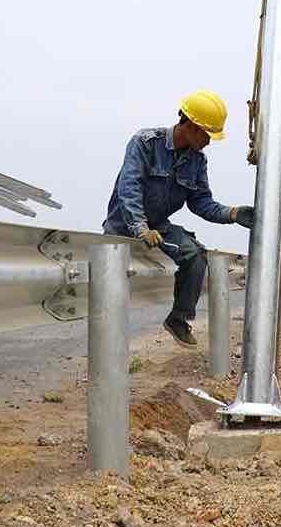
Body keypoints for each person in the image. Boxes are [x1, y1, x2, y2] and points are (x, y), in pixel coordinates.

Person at [104, 89, 255, 347]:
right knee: (111, 301)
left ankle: (178, 318)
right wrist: (140, 227)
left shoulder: (197, 161)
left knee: (195, 256)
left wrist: (232, 213)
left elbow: (201, 202)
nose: (209, 142)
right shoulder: (145, 143)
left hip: (158, 226)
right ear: (191, 126)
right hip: (125, 224)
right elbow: (129, 188)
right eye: (207, 135)